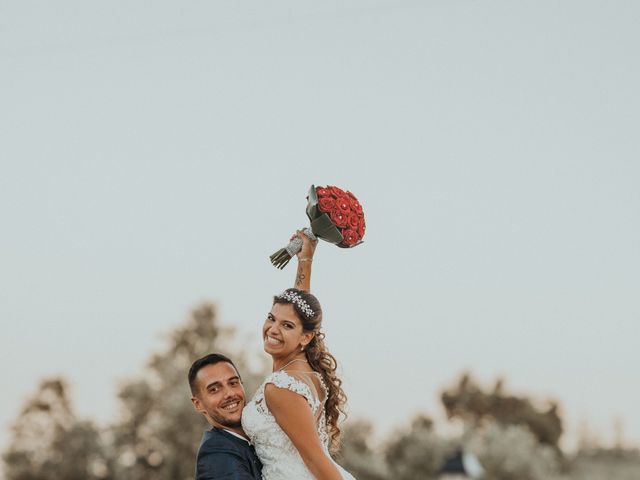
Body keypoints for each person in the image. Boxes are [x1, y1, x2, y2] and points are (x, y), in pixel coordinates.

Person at [242, 231, 356, 480]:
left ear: (305, 338)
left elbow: (317, 461)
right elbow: (299, 314)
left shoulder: (281, 387)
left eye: (286, 326)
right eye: (271, 318)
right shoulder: (302, 369)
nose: (273, 329)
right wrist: (305, 261)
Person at [189, 353, 262, 480]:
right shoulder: (215, 454)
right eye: (214, 389)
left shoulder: (255, 437)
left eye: (233, 383)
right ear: (198, 404)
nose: (229, 393)